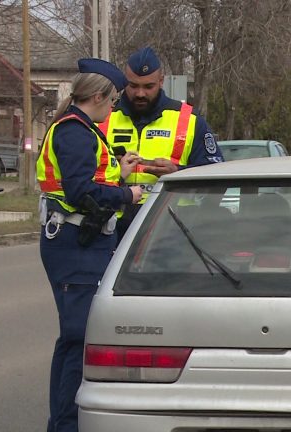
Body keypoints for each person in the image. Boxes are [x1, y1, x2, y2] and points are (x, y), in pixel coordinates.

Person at [37, 58, 142, 432]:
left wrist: (120, 172)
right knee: (79, 338)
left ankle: (66, 421)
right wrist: (126, 193)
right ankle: (65, 423)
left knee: (76, 338)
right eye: (113, 101)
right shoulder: (75, 132)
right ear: (97, 96)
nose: (114, 108)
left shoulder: (80, 129)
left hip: (81, 242)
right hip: (74, 243)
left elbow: (87, 176)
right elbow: (81, 190)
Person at [97, 47, 224, 238]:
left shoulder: (189, 120)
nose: (140, 93)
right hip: (111, 228)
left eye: (149, 87)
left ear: (161, 81)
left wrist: (178, 173)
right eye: (133, 86)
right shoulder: (103, 117)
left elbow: (216, 174)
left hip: (172, 229)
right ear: (124, 82)